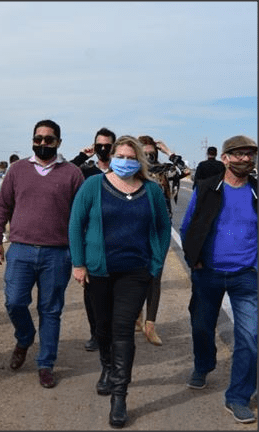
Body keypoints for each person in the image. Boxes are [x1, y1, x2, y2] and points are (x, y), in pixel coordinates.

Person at [69, 135, 171, 428]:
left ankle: (119, 395)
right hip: (99, 270)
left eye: (131, 157)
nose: (125, 162)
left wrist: (157, 262)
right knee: (102, 328)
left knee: (123, 330)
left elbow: (163, 227)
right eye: (120, 156)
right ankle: (107, 367)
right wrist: (78, 263)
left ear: (139, 160)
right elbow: (76, 223)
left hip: (136, 272)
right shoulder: (93, 186)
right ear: (112, 157)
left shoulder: (151, 190)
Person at [0, 119, 84, 389]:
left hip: (57, 254)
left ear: (58, 143)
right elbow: (3, 207)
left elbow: (80, 218)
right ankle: (25, 337)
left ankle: (46, 363)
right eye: (38, 139)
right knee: (14, 302)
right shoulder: (18, 170)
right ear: (33, 140)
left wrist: (78, 256)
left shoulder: (72, 174)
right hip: (20, 250)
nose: (43, 143)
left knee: (51, 310)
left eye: (49, 139)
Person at [181, 135, 258, 424]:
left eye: (250, 154)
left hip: (246, 276)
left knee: (250, 338)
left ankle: (238, 397)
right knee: (201, 326)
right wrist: (193, 258)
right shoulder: (206, 189)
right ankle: (203, 365)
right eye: (238, 154)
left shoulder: (256, 191)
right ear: (224, 158)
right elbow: (188, 225)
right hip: (208, 273)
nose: (245, 159)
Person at [135, 135, 191, 346]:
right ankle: (136, 315)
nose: (149, 157)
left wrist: (169, 151)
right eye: (145, 153)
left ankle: (150, 325)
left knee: (155, 276)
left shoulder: (163, 170)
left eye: (152, 153)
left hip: (160, 229)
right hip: (136, 229)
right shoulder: (134, 172)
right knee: (136, 274)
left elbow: (184, 171)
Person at [68, 127, 117, 352]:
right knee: (92, 293)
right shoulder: (86, 171)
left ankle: (114, 333)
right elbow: (65, 172)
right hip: (92, 240)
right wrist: (81, 156)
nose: (104, 149)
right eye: (100, 145)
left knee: (117, 292)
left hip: (118, 240)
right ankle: (96, 333)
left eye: (108, 145)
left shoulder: (123, 170)